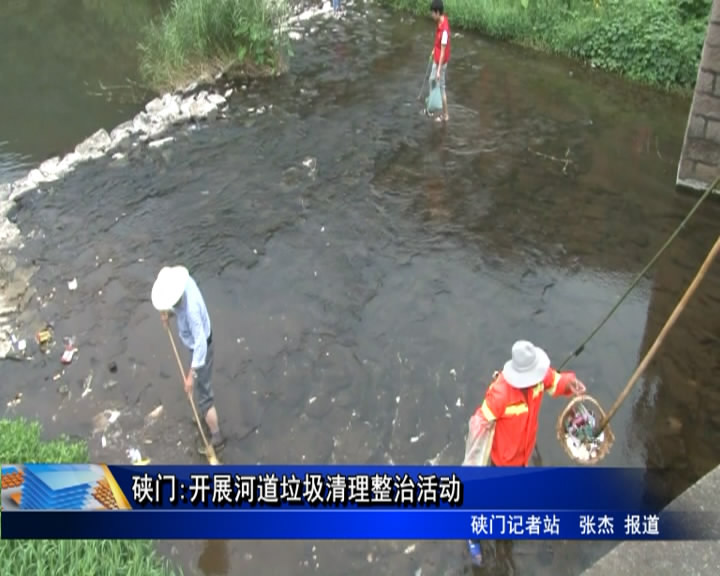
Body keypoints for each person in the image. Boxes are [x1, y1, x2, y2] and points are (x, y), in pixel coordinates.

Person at [465, 340, 587, 566]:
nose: (536, 382)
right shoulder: (500, 394)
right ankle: (473, 535)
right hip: (501, 460)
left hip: (522, 455)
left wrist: (570, 383)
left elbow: (555, 381)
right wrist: (474, 458)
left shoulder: (540, 378)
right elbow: (480, 422)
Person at [151, 265, 225, 453]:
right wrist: (168, 313)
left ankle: (217, 437)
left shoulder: (191, 311)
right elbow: (177, 305)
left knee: (204, 395)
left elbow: (200, 344)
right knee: (199, 389)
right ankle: (203, 412)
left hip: (202, 349)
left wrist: (191, 376)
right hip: (195, 344)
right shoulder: (184, 284)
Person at [429, 0, 451, 122]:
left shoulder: (444, 31)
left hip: (440, 63)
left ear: (437, 12)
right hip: (436, 59)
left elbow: (443, 52)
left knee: (441, 87)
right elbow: (438, 45)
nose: (432, 15)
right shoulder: (441, 21)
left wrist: (438, 70)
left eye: (433, 13)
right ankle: (432, 106)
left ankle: (445, 115)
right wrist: (433, 50)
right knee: (432, 81)